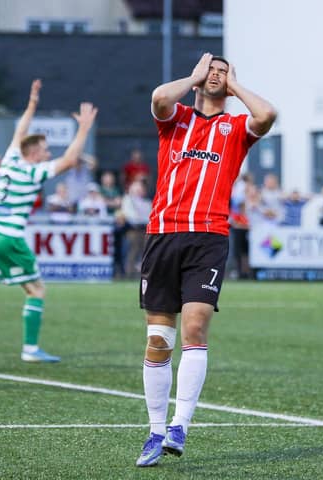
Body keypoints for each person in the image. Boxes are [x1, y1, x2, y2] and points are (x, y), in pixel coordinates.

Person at [135, 53, 276, 467]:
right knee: (159, 341)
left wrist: (235, 87)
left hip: (208, 237)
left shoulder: (235, 128)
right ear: (199, 78)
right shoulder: (175, 118)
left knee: (195, 326)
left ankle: (179, 426)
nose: (216, 76)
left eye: (222, 72)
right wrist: (195, 76)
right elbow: (159, 97)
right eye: (211, 71)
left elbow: (267, 114)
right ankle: (155, 431)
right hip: (163, 233)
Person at [0, 79, 97, 365]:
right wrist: (84, 127)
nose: (48, 154)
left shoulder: (11, 159)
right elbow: (70, 159)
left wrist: (33, 103)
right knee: (36, 290)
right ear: (34, 153)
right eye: (46, 150)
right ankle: (30, 349)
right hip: (9, 236)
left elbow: (21, 130)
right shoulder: (32, 173)